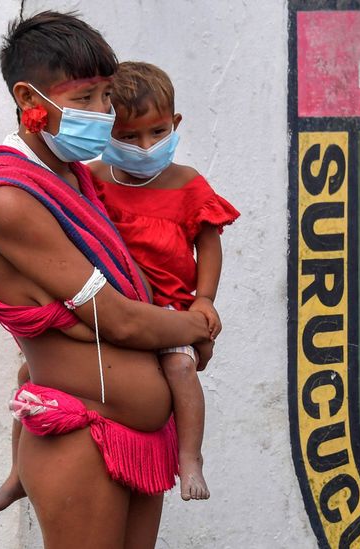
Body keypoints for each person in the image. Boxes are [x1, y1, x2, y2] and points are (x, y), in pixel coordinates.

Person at [0, 11, 212, 548]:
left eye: (105, 96)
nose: (103, 113)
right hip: (81, 439)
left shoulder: (72, 176)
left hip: (137, 440)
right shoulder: (9, 200)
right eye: (84, 100)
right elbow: (118, 319)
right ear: (31, 100)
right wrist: (193, 327)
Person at [92, 61, 240, 500]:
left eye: (157, 132)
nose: (145, 146)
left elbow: (208, 243)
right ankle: (19, 469)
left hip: (171, 310)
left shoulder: (188, 184)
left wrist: (205, 301)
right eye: (128, 136)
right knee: (34, 371)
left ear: (175, 124)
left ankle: (190, 457)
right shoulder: (95, 180)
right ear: (106, 133)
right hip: (113, 309)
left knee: (180, 369)